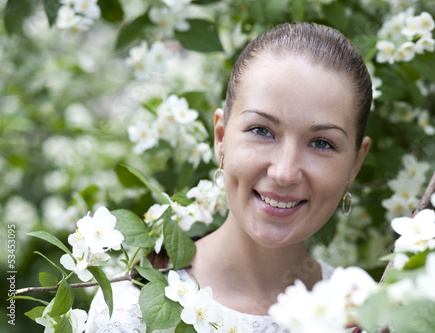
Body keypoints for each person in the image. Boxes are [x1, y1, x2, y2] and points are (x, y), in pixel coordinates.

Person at [86, 22, 372, 332]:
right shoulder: (129, 312)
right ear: (220, 138)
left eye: (321, 143)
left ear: (355, 164)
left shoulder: (363, 312)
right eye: (261, 131)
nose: (284, 172)